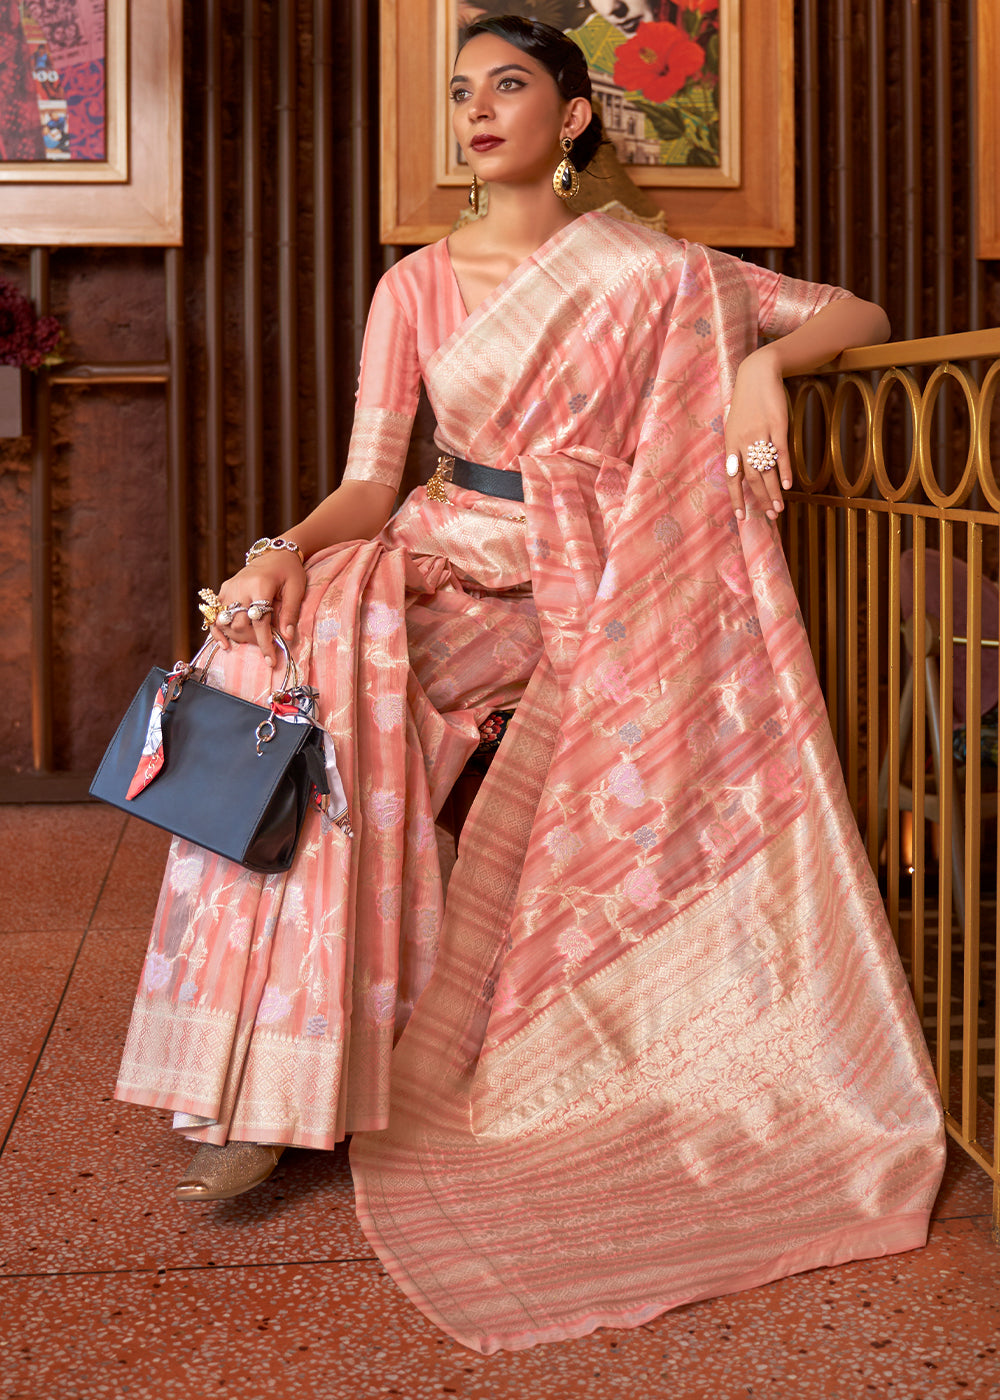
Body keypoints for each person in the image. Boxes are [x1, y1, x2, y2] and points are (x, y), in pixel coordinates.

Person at [116, 15, 945, 1355]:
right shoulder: (414, 290)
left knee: (344, 669)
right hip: (441, 551)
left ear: (569, 118)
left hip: (592, 579)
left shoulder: (655, 270)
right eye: (461, 91)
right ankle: (255, 1078)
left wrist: (756, 364)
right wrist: (276, 553)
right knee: (283, 652)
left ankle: (306, 1083)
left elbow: (862, 313)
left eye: (509, 85)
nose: (479, 108)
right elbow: (371, 486)